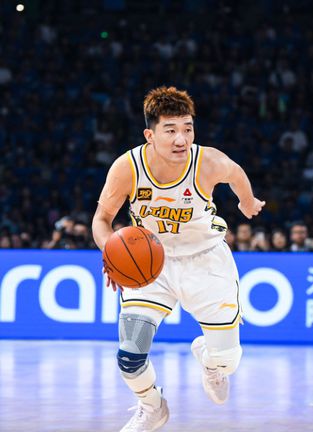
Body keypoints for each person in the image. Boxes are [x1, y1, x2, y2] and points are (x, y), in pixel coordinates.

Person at [91, 86, 265, 432]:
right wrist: (110, 252)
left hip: (206, 261)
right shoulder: (127, 167)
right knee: (129, 355)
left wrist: (247, 201)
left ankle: (211, 363)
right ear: (150, 135)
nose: (181, 139)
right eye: (170, 130)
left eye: (187, 128)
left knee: (228, 361)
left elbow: (236, 173)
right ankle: (152, 406)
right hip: (150, 263)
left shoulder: (207, 161)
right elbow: (102, 220)